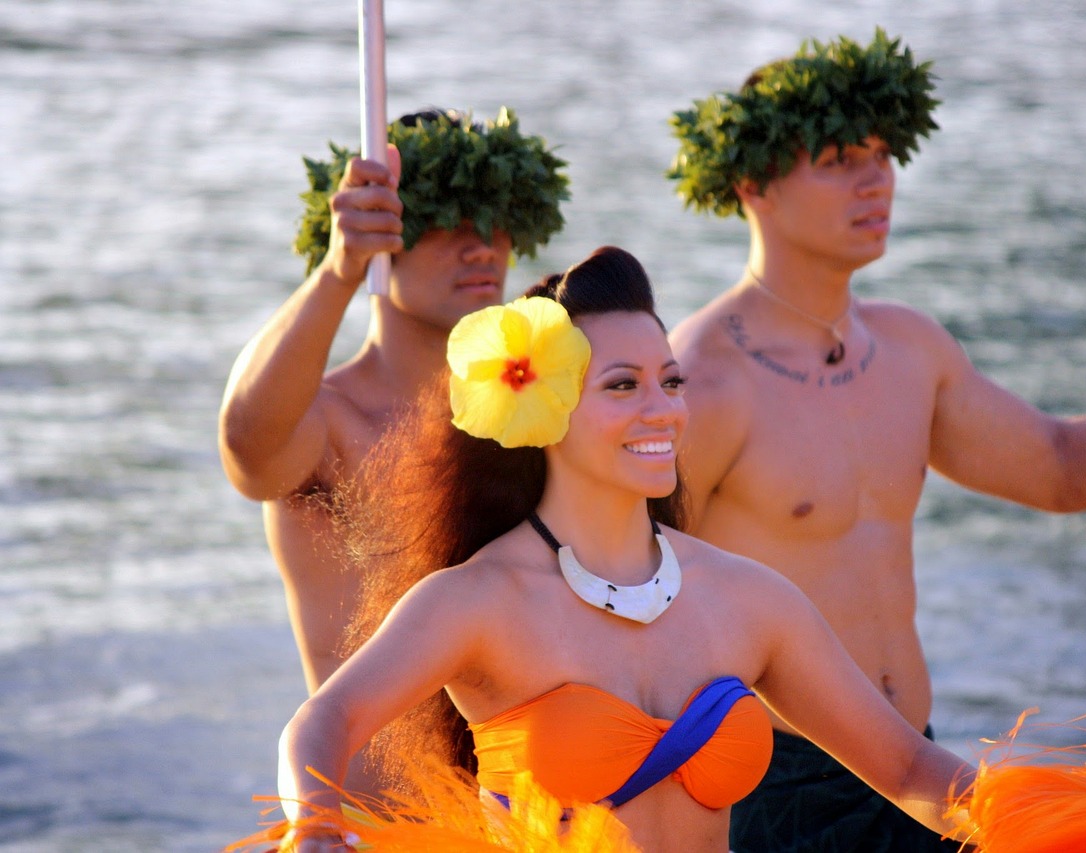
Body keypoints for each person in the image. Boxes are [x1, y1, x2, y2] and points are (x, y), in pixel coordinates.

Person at [664, 31, 1086, 852]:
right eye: (841, 158)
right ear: (752, 184)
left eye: (883, 155)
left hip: (920, 761)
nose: (875, 178)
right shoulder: (701, 377)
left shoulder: (911, 348)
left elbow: (1062, 469)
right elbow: (631, 594)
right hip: (772, 783)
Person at [270, 246, 979, 853]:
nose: (664, 409)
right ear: (545, 412)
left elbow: (913, 769)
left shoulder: (747, 599)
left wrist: (1044, 817)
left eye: (670, 381)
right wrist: (314, 827)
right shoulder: (480, 601)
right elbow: (322, 723)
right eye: (623, 386)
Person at [217, 108, 569, 787]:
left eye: (497, 219)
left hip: (530, 819)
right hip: (375, 825)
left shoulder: (536, 414)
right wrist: (339, 268)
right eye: (444, 220)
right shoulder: (327, 422)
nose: (481, 246)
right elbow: (247, 448)